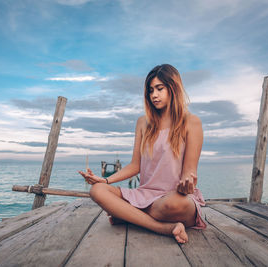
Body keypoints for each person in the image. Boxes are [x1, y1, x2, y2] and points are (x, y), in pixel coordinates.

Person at [78, 64, 206, 244]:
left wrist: (187, 184)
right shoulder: (142, 123)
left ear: (173, 88)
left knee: (175, 204)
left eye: (160, 89)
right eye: (150, 90)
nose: (154, 95)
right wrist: (106, 180)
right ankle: (163, 228)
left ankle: (128, 215)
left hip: (174, 198)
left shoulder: (192, 122)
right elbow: (135, 165)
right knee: (97, 190)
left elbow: (189, 171)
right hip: (145, 194)